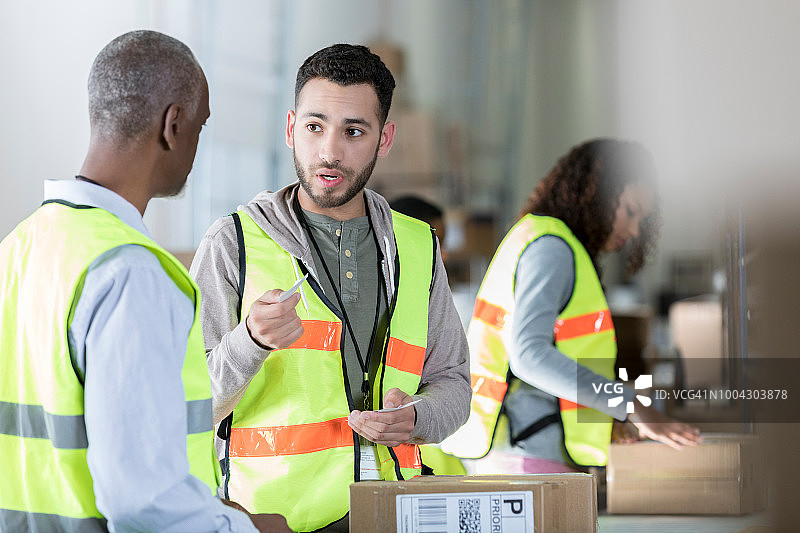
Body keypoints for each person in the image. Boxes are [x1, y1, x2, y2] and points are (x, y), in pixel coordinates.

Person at [0, 31, 289, 533]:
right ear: (173, 125)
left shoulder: (21, 246)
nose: (197, 143)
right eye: (200, 126)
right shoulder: (131, 272)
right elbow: (143, 501)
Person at [190, 44, 471, 532]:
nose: (330, 152)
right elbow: (186, 404)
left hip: (393, 514)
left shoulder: (418, 245)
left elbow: (456, 385)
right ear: (290, 129)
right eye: (314, 127)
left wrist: (418, 418)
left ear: (384, 139)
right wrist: (251, 341)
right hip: (274, 520)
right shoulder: (233, 242)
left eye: (354, 132)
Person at [441, 138, 701, 474]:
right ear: (597, 194)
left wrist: (608, 418)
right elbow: (528, 356)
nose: (635, 229)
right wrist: (629, 403)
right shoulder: (552, 249)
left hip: (523, 449)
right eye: (631, 211)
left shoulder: (540, 238)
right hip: (525, 454)